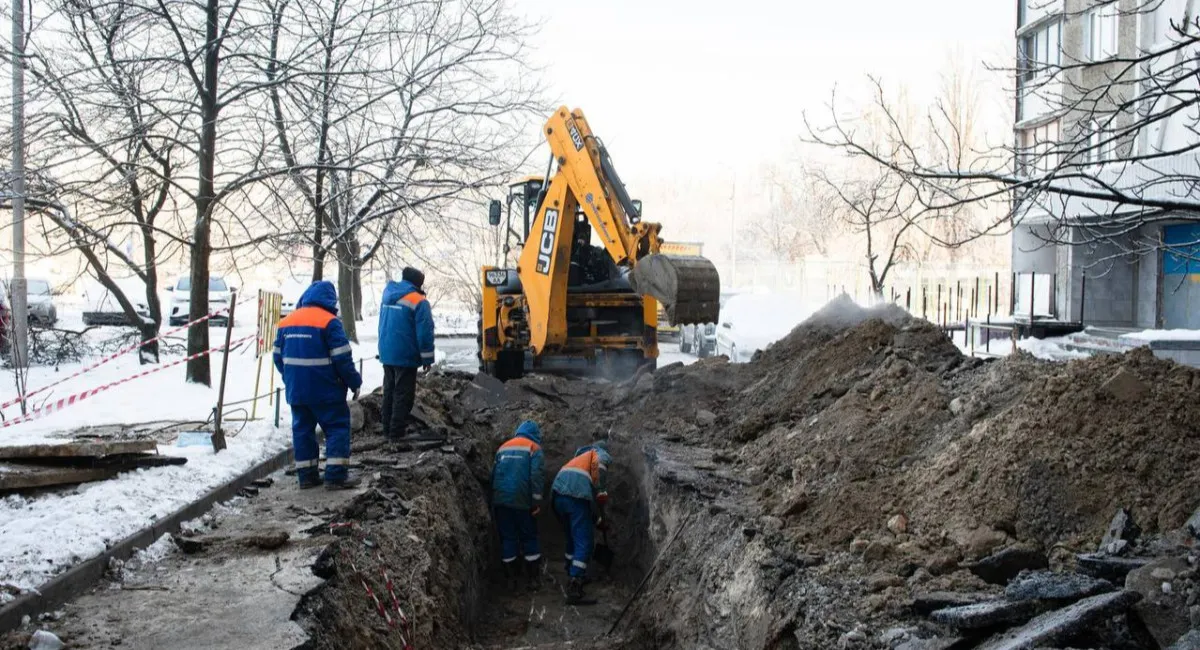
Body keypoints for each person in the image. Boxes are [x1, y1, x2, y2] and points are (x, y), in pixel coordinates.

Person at [273, 280, 364, 490]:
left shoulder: (287, 322)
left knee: (302, 431)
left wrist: (291, 378)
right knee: (337, 428)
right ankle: (335, 476)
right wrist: (354, 382)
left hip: (297, 390)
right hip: (326, 390)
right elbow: (342, 358)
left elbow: (278, 358)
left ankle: (306, 476)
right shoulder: (330, 322)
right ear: (330, 300)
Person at [551, 432, 612, 604]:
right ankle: (575, 586)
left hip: (558, 497)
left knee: (572, 538)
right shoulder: (599, 453)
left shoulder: (580, 458)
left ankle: (571, 571)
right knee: (584, 542)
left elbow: (586, 507)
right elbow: (600, 470)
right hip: (575, 497)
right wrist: (602, 491)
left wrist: (598, 522)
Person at [377, 267, 435, 440]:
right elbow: (424, 332)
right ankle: (396, 434)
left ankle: (386, 429)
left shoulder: (388, 294)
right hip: (405, 354)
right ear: (418, 283)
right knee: (403, 394)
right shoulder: (419, 301)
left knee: (389, 391)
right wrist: (427, 358)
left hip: (387, 352)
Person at [490, 420, 545, 590]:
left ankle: (511, 580)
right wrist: (536, 502)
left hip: (500, 500)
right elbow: (536, 476)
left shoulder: (503, 447)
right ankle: (533, 580)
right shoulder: (534, 448)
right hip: (522, 501)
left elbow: (493, 475)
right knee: (529, 537)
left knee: (508, 538)